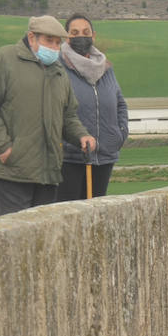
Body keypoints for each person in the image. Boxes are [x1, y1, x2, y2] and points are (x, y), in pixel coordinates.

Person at [0, 15, 96, 216]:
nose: (54, 47)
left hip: (48, 175)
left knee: (42, 242)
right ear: (31, 37)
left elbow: (68, 116)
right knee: (12, 239)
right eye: (49, 40)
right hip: (12, 173)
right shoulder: (6, 59)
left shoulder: (59, 72)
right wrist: (4, 148)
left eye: (58, 42)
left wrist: (82, 135)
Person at [56, 13, 130, 201]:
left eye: (85, 32)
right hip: (70, 156)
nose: (81, 36)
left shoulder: (105, 67)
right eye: (75, 32)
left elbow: (120, 102)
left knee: (96, 212)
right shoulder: (58, 66)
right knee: (69, 214)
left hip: (104, 154)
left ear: (93, 36)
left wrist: (120, 134)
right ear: (67, 37)